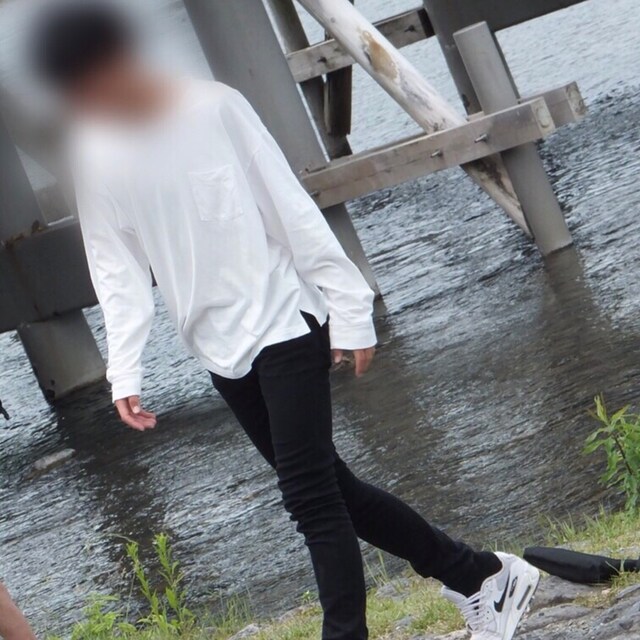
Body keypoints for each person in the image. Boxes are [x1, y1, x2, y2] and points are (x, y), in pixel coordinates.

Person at [30, 2, 540, 639]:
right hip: (217, 347)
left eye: (87, 83)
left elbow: (290, 209)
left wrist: (351, 310)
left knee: (309, 498)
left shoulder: (213, 107)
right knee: (335, 489)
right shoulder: (94, 150)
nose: (85, 101)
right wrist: (124, 368)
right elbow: (115, 268)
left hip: (284, 320)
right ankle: (481, 575)